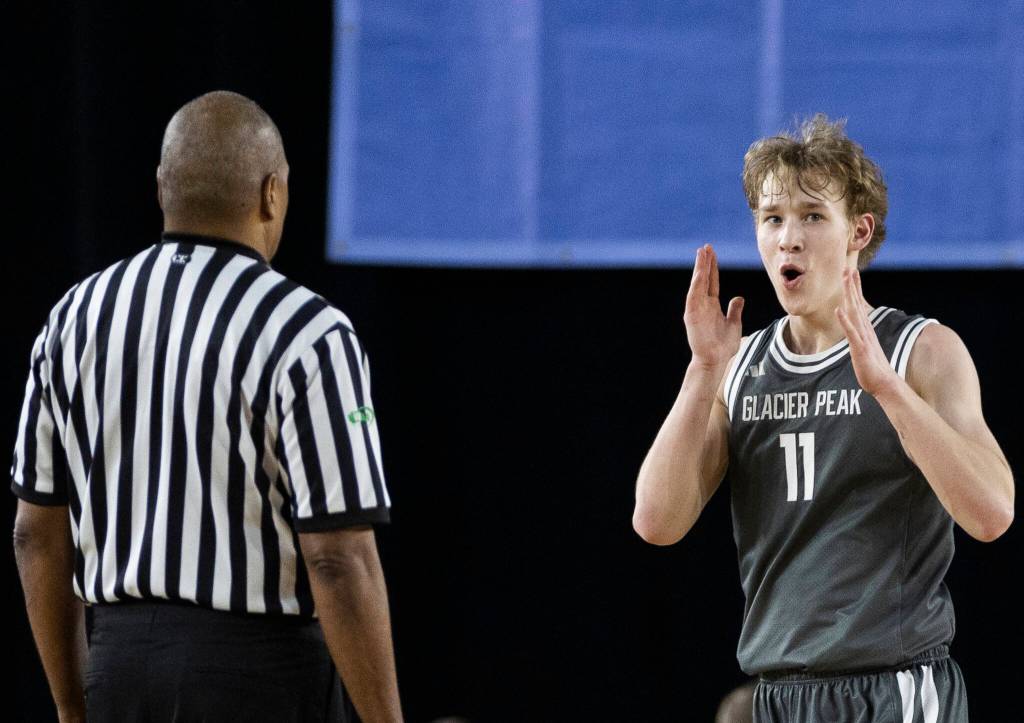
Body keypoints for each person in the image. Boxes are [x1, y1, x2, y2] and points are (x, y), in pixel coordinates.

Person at [12, 90, 402, 722]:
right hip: (260, 680)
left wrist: (71, 706)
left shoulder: (73, 318)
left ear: (162, 188)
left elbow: (34, 534)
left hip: (116, 671)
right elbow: (337, 557)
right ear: (271, 193)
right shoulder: (310, 332)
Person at [633, 115, 1014, 722]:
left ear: (858, 231)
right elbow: (656, 521)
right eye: (772, 218)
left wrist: (889, 392)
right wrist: (702, 371)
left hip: (894, 690)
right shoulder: (740, 365)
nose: (788, 238)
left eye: (812, 216)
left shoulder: (923, 349)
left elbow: (993, 514)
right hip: (780, 695)